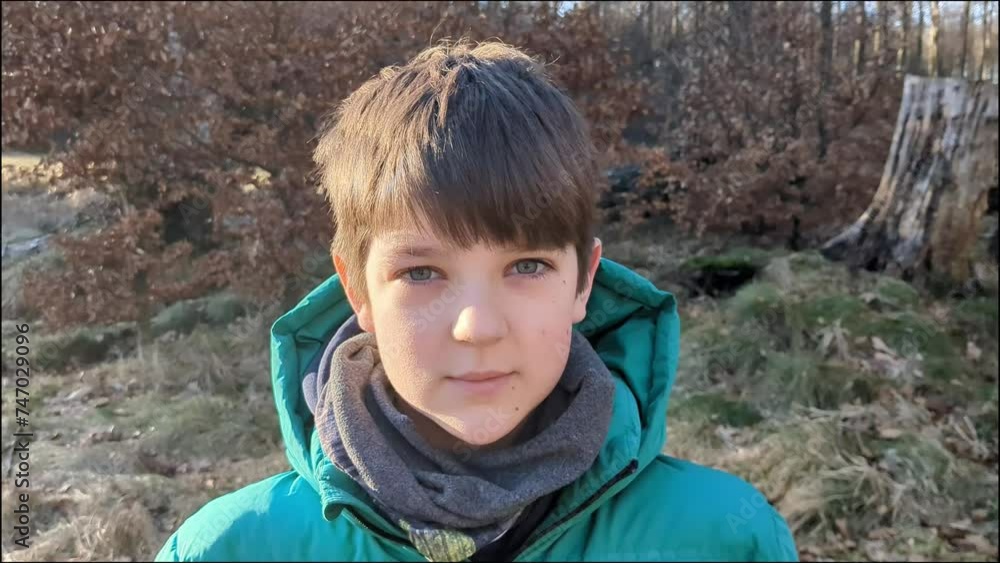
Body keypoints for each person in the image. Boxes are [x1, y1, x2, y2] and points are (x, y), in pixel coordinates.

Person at [155, 39, 798, 562]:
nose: (478, 327)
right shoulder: (230, 548)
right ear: (357, 290)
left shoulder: (724, 538)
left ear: (582, 283)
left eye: (526, 265)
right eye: (422, 273)